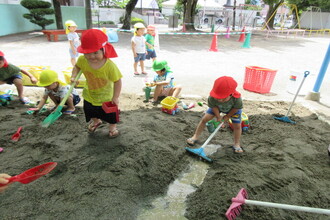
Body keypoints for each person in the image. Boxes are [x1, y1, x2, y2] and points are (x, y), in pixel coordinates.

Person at [71, 29, 122, 138]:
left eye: (95, 52)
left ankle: (112, 128)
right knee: (90, 111)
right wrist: (73, 76)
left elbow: (117, 81)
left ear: (103, 49)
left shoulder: (109, 66)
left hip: (106, 97)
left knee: (110, 115)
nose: (92, 56)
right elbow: (76, 67)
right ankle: (96, 122)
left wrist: (116, 97)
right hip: (89, 94)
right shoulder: (82, 60)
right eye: (87, 53)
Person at [186, 76, 244, 153]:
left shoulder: (237, 99)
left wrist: (227, 116)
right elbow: (213, 106)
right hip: (217, 108)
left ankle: (236, 144)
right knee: (204, 119)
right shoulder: (212, 97)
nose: (219, 100)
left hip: (233, 110)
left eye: (223, 98)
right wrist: (218, 117)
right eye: (217, 97)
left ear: (231, 94)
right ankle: (195, 136)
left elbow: (236, 108)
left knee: (237, 126)